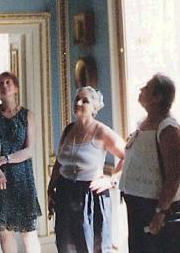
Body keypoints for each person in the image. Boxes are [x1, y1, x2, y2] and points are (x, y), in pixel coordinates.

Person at [47, 86, 125, 253]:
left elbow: (128, 156)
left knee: (89, 246)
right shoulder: (68, 129)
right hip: (65, 192)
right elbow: (59, 162)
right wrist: (51, 187)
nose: (79, 103)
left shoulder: (102, 131)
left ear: (94, 107)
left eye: (85, 101)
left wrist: (111, 181)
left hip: (90, 196)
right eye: (77, 99)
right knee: (66, 244)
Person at [119, 74, 180, 253]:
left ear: (158, 97)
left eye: (147, 88)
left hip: (155, 207)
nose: (141, 89)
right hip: (137, 205)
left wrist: (161, 212)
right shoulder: (143, 124)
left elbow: (175, 174)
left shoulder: (167, 128)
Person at [0, 71, 42, 253]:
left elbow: (29, 150)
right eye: (0, 84)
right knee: (5, 231)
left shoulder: (27, 115)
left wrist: (4, 159)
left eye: (8, 82)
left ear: (16, 88)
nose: (4, 86)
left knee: (28, 231)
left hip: (21, 178)